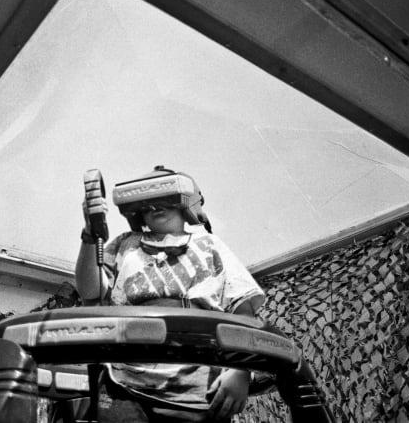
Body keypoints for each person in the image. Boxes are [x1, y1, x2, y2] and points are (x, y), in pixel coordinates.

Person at [75, 166, 266, 422]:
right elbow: (91, 292)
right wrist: (90, 236)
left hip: (197, 386)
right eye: (147, 203)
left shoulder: (209, 245)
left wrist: (240, 371)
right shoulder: (126, 244)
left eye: (164, 198)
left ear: (186, 202)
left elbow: (243, 310)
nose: (156, 207)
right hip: (125, 382)